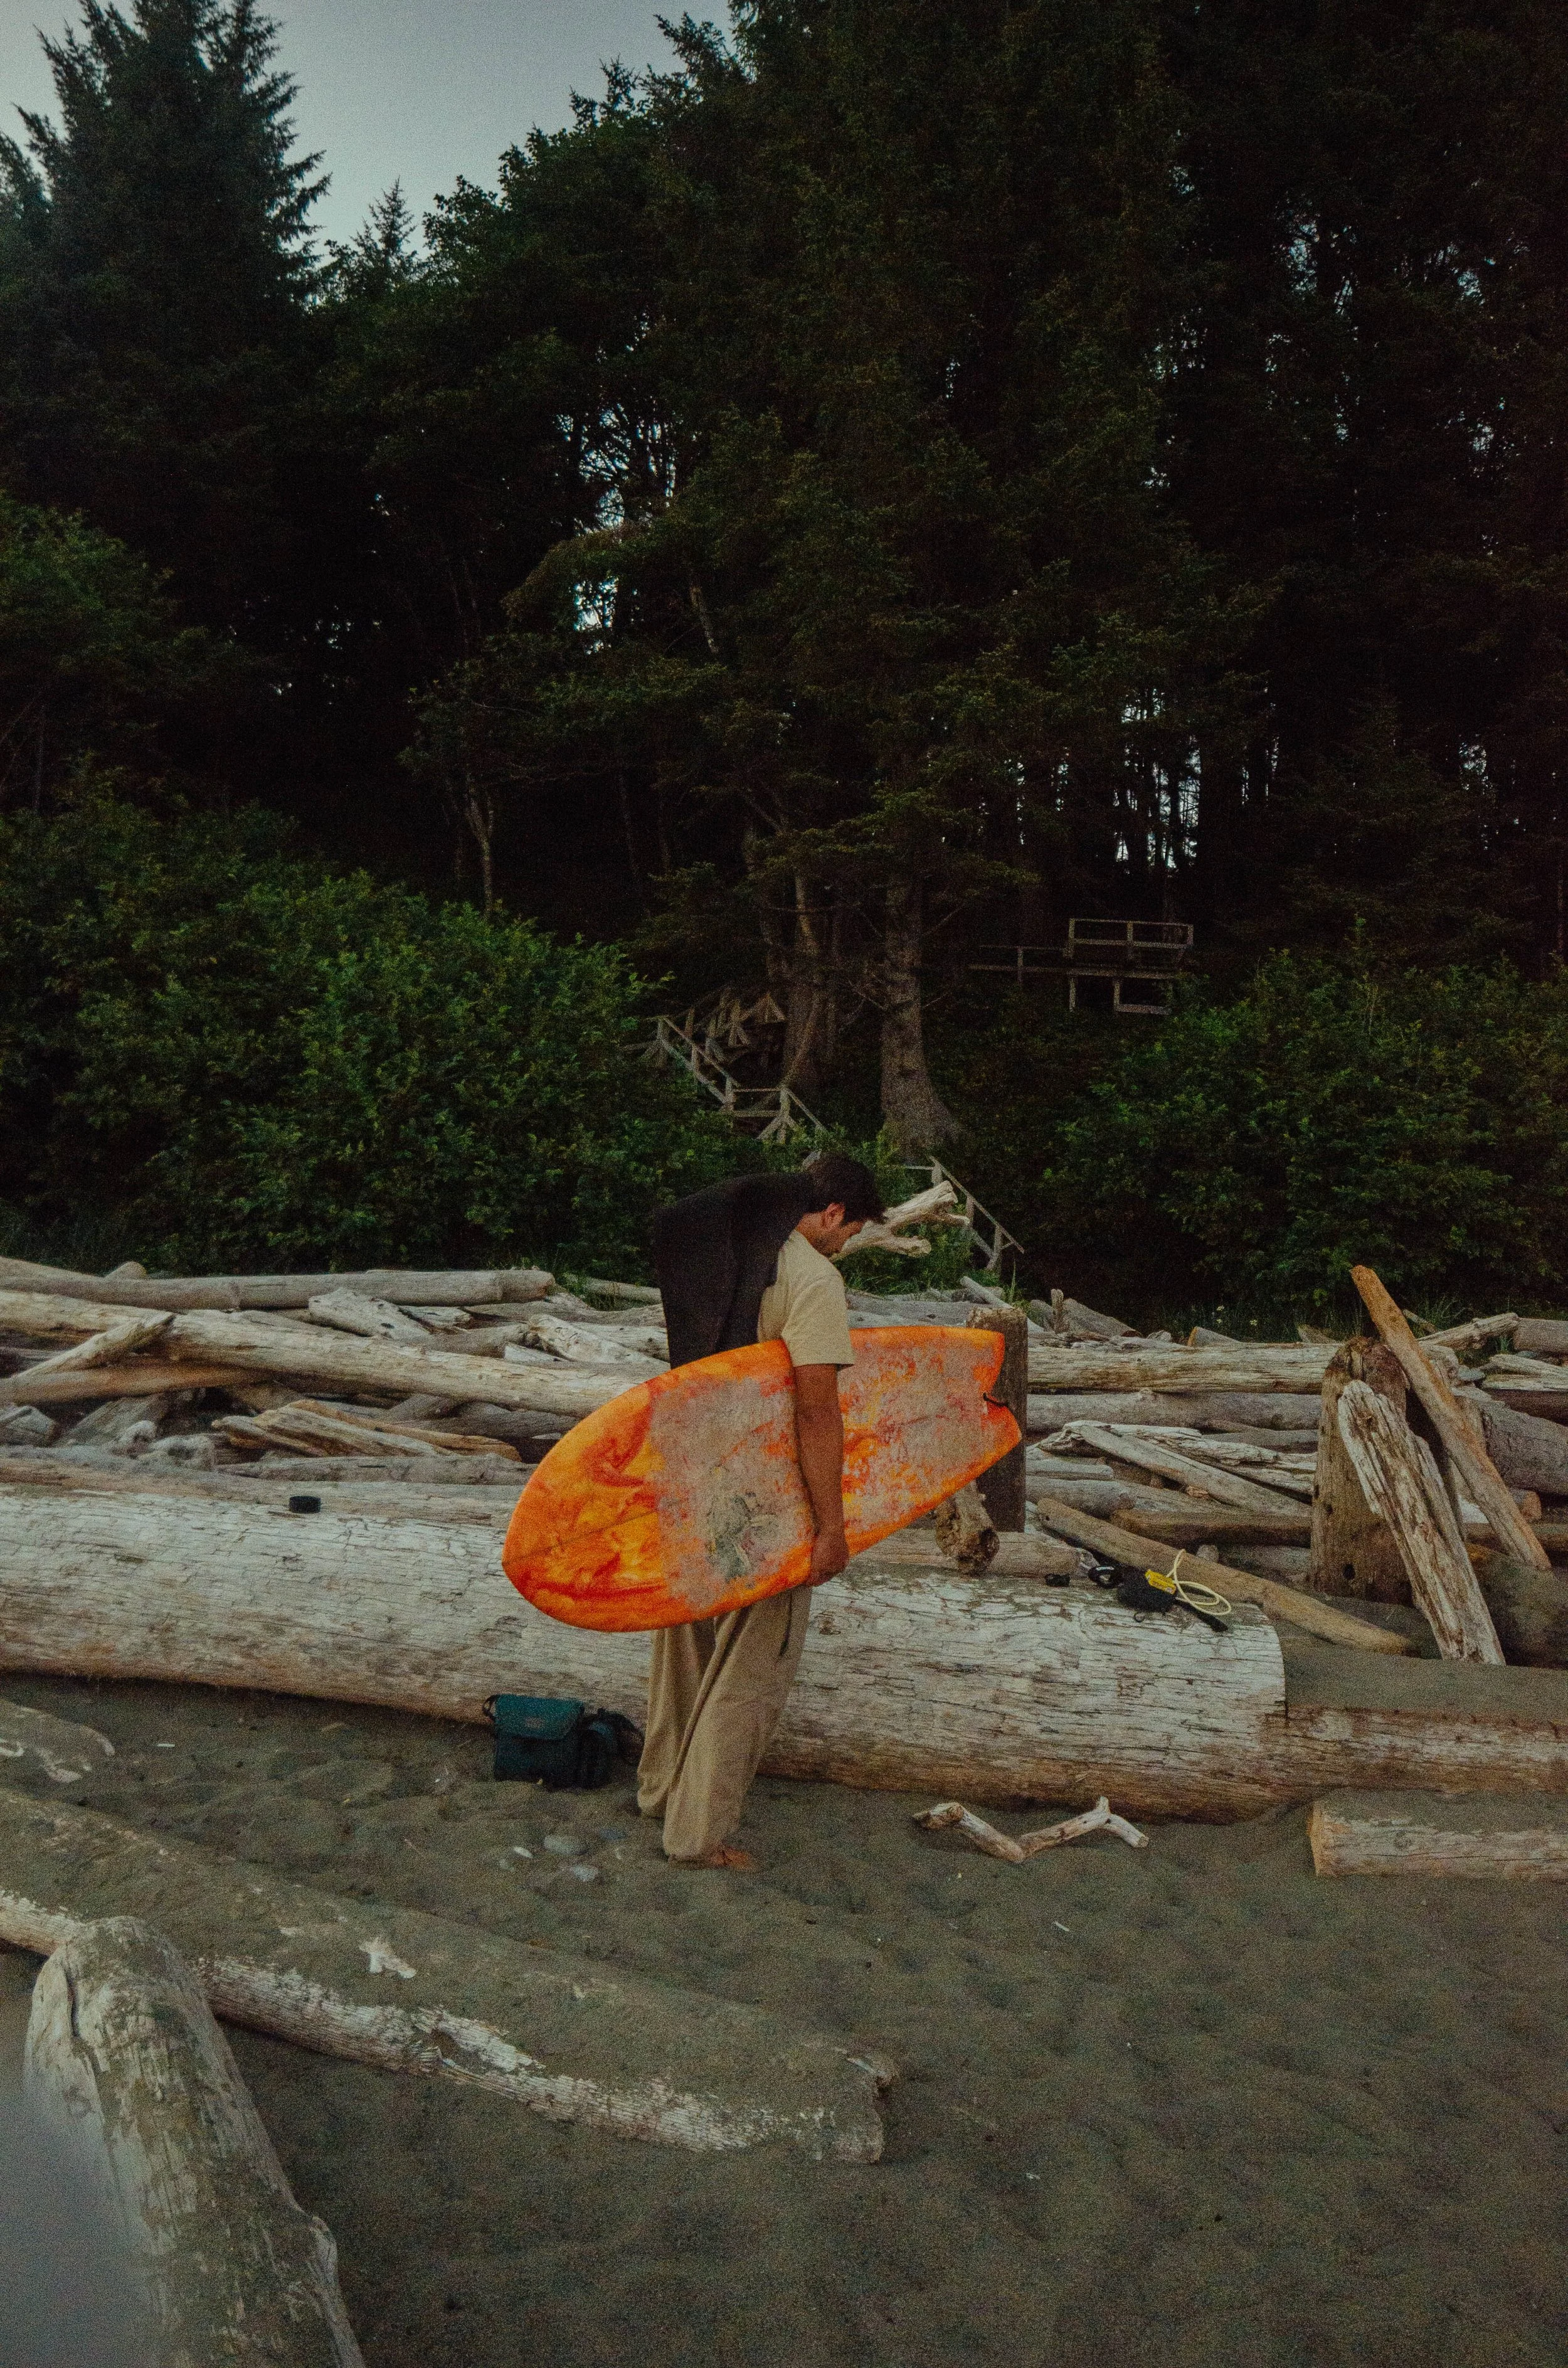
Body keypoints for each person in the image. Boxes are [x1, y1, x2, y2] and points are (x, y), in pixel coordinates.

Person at [637, 1152, 885, 1869]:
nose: (842, 1246)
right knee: (754, 1663)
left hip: (693, 1471)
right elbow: (815, 1411)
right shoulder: (812, 1277)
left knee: (682, 1644)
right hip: (767, 1496)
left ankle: (659, 1792)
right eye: (849, 1232)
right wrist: (831, 1527)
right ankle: (698, 1832)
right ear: (834, 1212)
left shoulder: (722, 1251)